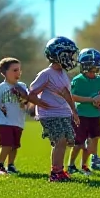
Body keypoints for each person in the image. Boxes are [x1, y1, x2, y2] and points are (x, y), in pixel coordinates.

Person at [29, 37, 80, 182]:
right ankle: (55, 173)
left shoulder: (63, 74)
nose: (72, 58)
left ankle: (60, 170)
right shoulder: (46, 74)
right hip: (50, 114)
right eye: (69, 54)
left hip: (63, 113)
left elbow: (66, 93)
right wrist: (41, 104)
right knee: (60, 140)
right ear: (59, 55)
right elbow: (31, 93)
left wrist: (73, 111)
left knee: (66, 141)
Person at [0, 57, 43, 176]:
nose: (18, 72)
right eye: (14, 70)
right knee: (7, 145)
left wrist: (24, 100)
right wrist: (1, 106)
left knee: (15, 146)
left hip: (18, 121)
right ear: (4, 73)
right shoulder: (2, 87)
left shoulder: (22, 85)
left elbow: (26, 100)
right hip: (4, 122)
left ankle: (11, 165)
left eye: (19, 70)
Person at [68, 48, 100, 175]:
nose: (94, 73)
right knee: (79, 143)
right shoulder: (77, 80)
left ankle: (85, 165)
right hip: (81, 115)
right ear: (84, 67)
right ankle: (71, 165)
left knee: (92, 141)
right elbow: (73, 97)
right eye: (92, 69)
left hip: (94, 115)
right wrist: (90, 99)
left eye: (96, 69)